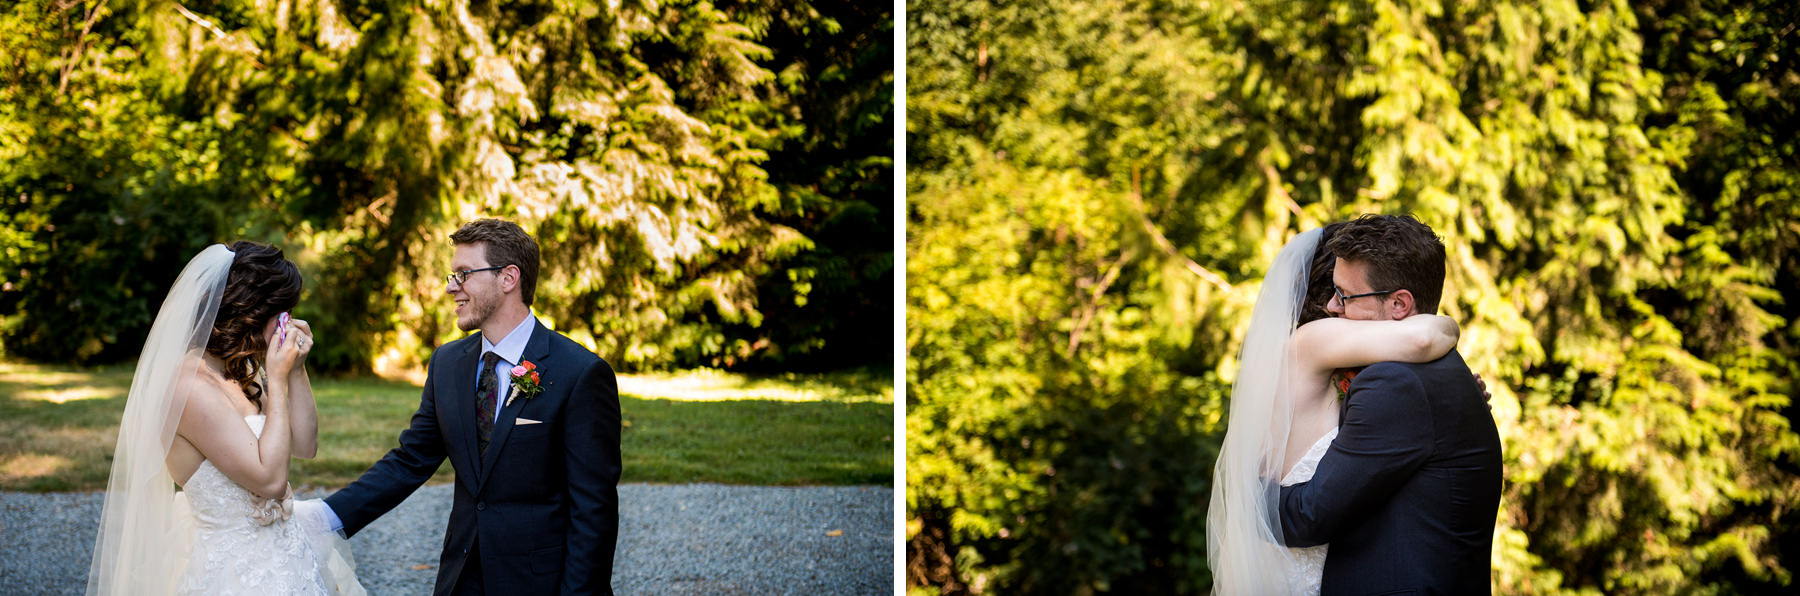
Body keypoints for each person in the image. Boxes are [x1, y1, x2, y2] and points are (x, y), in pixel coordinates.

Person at [322, 218, 623, 596]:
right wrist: (325, 517)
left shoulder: (579, 374)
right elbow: (410, 460)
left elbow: (593, 508)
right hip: (460, 579)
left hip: (539, 584)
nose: (451, 287)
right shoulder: (447, 364)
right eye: (452, 275)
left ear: (508, 278)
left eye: (463, 274)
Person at [86, 241, 362, 596]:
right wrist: (275, 378)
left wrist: (296, 372)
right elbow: (270, 480)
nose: (287, 324)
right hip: (235, 574)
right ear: (251, 312)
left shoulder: (242, 370)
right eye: (281, 313)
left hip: (286, 558)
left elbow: (306, 446)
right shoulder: (188, 388)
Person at [1206, 222, 1466, 595]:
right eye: (1338, 291)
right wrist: (1449, 325)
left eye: (1346, 294)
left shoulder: (1322, 358)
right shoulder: (1313, 340)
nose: (1335, 305)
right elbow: (1424, 337)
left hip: (1304, 559)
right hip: (1302, 553)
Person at [1278, 214, 1504, 594]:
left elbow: (1309, 516)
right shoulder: (1434, 370)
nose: (1333, 308)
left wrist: (1245, 501)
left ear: (1400, 304)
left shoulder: (1396, 384)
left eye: (1345, 296)